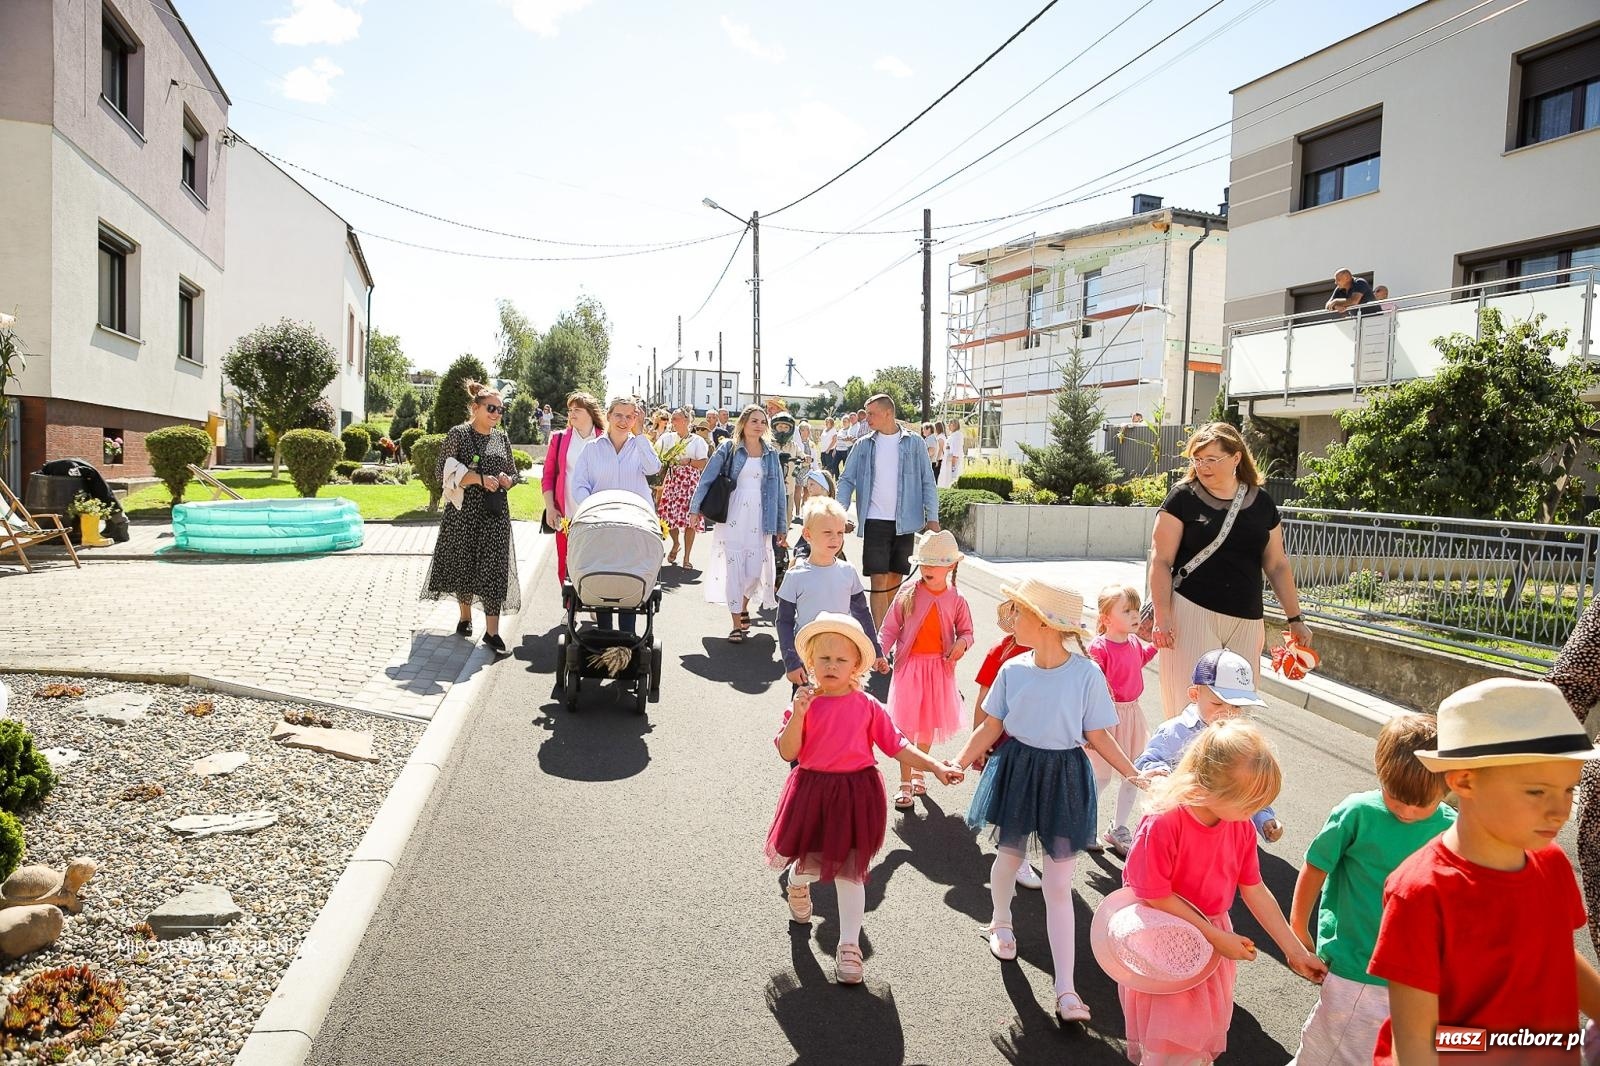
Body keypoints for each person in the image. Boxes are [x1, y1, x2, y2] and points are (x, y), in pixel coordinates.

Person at [1368, 678, 1600, 1065]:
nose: (1560, 811)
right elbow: (1419, 1041)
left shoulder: (1552, 862)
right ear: (1464, 780)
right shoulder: (1422, 892)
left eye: (1568, 790)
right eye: (1537, 792)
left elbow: (1557, 954)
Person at [954, 577, 1149, 1025]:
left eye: (1019, 612)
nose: (1012, 619)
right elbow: (990, 725)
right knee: (1007, 858)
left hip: (1064, 777)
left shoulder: (1086, 674)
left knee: (1059, 885)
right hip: (1018, 770)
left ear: (1041, 622)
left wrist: (1134, 774)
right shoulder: (1013, 668)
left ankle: (1066, 989)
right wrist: (960, 762)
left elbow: (1100, 735)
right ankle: (1001, 920)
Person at [766, 612, 963, 985]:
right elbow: (786, 750)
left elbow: (898, 745)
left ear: (856, 664)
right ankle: (797, 881)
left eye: (841, 659)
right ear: (811, 662)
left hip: (857, 794)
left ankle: (849, 946)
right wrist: (799, 715)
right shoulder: (803, 704)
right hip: (813, 792)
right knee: (812, 864)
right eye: (823, 659)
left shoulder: (869, 705)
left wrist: (934, 765)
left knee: (850, 870)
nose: (831, 666)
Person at [1115, 719, 1327, 1064]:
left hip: (1209, 939)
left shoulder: (1238, 825)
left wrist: (1294, 950)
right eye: (1248, 804)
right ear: (1209, 789)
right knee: (1169, 1045)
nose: (1252, 814)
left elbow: (1254, 888)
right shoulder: (1165, 822)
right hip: (1163, 938)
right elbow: (1154, 894)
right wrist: (1213, 935)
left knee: (1194, 1040)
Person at [1287, 713, 1454, 1066]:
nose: (1407, 811)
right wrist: (1297, 929)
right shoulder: (1358, 813)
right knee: (1331, 1051)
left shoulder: (1454, 828)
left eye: (1422, 803)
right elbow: (1316, 865)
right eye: (1396, 797)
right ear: (1381, 773)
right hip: (1357, 964)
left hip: (1419, 976)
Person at [1148, 422, 1313, 719]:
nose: (1203, 466)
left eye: (1212, 459)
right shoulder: (1182, 498)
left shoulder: (1262, 502)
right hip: (1191, 611)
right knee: (1189, 710)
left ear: (1236, 458)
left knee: (1238, 713)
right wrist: (1163, 616)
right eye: (1197, 459)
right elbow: (1160, 560)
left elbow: (1277, 564)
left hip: (1247, 620)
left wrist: (1295, 619)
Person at [1136, 649, 1284, 842]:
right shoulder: (1176, 731)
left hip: (1223, 835)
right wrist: (1161, 779)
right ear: (1194, 694)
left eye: (1237, 706)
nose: (1228, 713)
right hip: (1176, 829)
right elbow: (1148, 761)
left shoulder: (1240, 740)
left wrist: (1264, 817)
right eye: (1218, 704)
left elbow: (1247, 786)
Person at [423, 380, 521, 656]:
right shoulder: (459, 434)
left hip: (495, 513)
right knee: (464, 563)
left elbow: (514, 474)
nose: (496, 413)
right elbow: (441, 470)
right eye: (491, 408)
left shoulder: (501, 438)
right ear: (475, 408)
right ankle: (465, 617)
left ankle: (492, 633)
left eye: (500, 410)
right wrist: (478, 478)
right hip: (463, 513)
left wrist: (506, 480)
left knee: (494, 569)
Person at [879, 530, 972, 809]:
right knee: (905, 727)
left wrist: (962, 644)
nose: (928, 568)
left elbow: (967, 631)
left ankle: (921, 768)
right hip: (909, 668)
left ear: (951, 566)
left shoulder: (956, 599)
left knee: (928, 725)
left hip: (938, 671)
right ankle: (904, 782)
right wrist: (880, 653)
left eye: (935, 563)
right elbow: (889, 628)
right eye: (924, 562)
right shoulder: (908, 593)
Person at [836, 394, 941, 628]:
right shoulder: (863, 445)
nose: (867, 418)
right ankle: (880, 642)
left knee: (894, 580)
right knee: (878, 580)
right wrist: (839, 514)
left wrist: (932, 519)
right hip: (875, 522)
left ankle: (889, 632)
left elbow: (927, 481)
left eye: (871, 414)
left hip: (906, 523)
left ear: (887, 413)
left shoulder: (915, 443)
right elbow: (846, 480)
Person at [690, 404, 787, 644]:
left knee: (754, 571)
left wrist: (781, 526)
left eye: (763, 422)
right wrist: (695, 509)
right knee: (735, 569)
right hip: (733, 514)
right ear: (743, 423)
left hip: (760, 516)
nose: (759, 425)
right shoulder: (728, 448)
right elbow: (707, 479)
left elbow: (779, 491)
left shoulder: (771, 453)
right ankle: (735, 623)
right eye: (754, 420)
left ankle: (743, 605)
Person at [569, 396, 662, 633]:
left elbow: (653, 468)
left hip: (635, 526)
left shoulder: (640, 446)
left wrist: (640, 434)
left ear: (636, 418)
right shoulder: (592, 449)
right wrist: (591, 506)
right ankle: (605, 633)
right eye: (618, 415)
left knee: (630, 579)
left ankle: (627, 637)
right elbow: (579, 485)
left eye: (629, 416)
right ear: (609, 416)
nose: (623, 421)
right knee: (605, 578)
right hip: (601, 524)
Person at [970, 599, 1042, 890]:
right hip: (1003, 734)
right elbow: (984, 698)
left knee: (1027, 794)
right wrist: (977, 739)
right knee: (1014, 794)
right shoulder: (1000, 652)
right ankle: (1014, 856)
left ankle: (1012, 848)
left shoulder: (1051, 654)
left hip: (1039, 735)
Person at [777, 497, 884, 692]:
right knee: (806, 714)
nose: (835, 538)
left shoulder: (848, 572)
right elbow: (784, 621)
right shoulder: (795, 575)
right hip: (808, 662)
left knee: (842, 713)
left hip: (843, 662)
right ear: (807, 534)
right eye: (827, 532)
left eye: (840, 533)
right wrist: (791, 660)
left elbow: (862, 614)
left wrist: (876, 651)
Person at [1086, 585, 1158, 858]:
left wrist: (1157, 646)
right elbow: (1090, 687)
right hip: (1106, 718)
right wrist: (1090, 728)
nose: (1135, 615)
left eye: (1136, 609)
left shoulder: (1134, 643)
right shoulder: (1098, 647)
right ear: (1105, 618)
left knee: (1133, 774)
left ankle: (1119, 827)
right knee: (1101, 776)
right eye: (1126, 610)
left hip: (1132, 715)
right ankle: (1085, 825)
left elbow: (1140, 659)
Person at [657, 407, 709, 569]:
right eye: (672, 419)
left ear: (686, 421)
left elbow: (703, 463)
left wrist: (689, 462)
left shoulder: (697, 441)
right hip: (672, 481)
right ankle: (675, 543)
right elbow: (657, 457)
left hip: (689, 483)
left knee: (689, 521)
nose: (673, 422)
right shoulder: (667, 439)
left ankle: (687, 558)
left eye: (676, 419)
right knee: (668, 518)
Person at [937, 418, 964, 488]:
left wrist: (953, 467)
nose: (948, 425)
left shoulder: (957, 436)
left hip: (952, 463)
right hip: (948, 462)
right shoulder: (952, 435)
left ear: (954, 425)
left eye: (950, 424)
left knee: (951, 480)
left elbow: (955, 452)